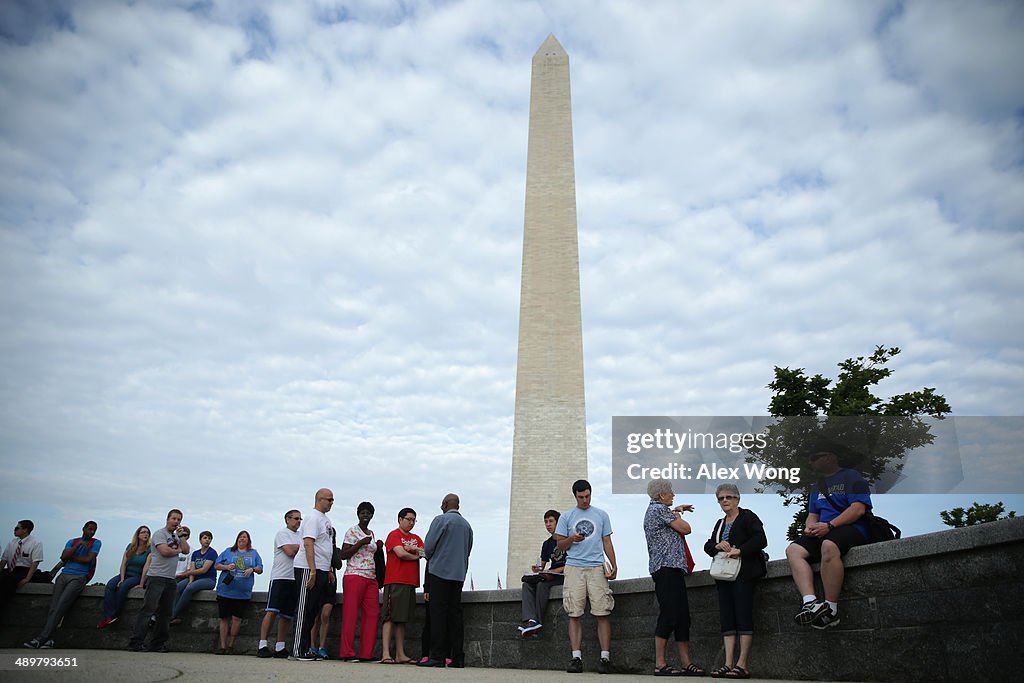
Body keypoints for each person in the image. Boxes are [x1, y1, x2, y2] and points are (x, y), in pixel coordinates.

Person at [787, 449, 872, 630]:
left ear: (830, 456)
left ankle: (831, 610)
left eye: (814, 456)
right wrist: (810, 527)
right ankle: (810, 603)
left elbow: (858, 509)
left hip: (851, 527)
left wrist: (830, 525)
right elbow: (812, 514)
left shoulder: (852, 476)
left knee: (829, 545)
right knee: (793, 550)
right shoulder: (817, 486)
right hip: (824, 529)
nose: (811, 461)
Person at [703, 483, 768, 679]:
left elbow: (761, 539)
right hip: (724, 575)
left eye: (729, 497)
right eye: (721, 498)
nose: (725, 501)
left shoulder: (748, 517)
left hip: (744, 573)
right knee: (727, 618)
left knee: (743, 615)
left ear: (737, 499)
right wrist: (717, 545)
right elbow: (708, 546)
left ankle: (742, 664)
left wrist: (740, 550)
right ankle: (728, 663)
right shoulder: (720, 523)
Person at [555, 479, 618, 675]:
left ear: (591, 494)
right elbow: (559, 545)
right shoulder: (566, 517)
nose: (585, 500)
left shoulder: (601, 514)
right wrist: (572, 538)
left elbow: (606, 540)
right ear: (575, 496)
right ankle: (576, 657)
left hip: (596, 567)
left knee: (603, 612)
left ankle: (605, 658)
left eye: (587, 496)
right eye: (581, 497)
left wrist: (614, 564)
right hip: (574, 567)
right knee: (574, 613)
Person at [643, 480, 705, 677]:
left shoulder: (659, 510)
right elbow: (686, 529)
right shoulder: (658, 510)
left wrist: (676, 510)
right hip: (666, 568)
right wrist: (677, 514)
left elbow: (670, 521)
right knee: (670, 614)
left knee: (682, 617)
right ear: (661, 496)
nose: (673, 494)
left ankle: (686, 663)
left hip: (673, 568)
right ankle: (660, 664)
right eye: (670, 492)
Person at [24, 521, 101, 649]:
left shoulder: (96, 543)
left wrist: (71, 557)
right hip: (63, 575)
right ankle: (50, 639)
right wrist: (77, 547)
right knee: (54, 607)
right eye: (90, 529)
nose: (91, 532)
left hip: (79, 577)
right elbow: (63, 556)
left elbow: (87, 560)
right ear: (84, 528)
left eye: (94, 530)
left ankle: (41, 638)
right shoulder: (73, 541)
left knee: (61, 605)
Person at [419, 493, 473, 668]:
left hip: (439, 573)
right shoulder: (467, 526)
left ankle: (437, 656)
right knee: (455, 615)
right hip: (458, 575)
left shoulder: (440, 520)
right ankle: (458, 657)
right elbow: (468, 550)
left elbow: (428, 548)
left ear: (444, 504)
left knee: (438, 615)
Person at [128, 509, 189, 652]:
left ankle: (158, 644)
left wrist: (182, 538)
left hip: (170, 579)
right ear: (168, 519)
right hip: (156, 577)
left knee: (166, 613)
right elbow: (164, 551)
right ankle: (136, 642)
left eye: (179, 519)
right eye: (174, 519)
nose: (176, 522)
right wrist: (178, 550)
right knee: (148, 609)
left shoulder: (176, 537)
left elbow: (186, 551)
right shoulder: (159, 534)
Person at [291, 488, 335, 661]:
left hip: (323, 569)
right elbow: (309, 543)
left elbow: (327, 546)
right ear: (319, 500)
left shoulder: (326, 520)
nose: (331, 502)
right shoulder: (312, 518)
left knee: (312, 610)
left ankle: (307, 647)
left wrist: (328, 569)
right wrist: (313, 570)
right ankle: (297, 649)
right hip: (307, 569)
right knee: (303, 609)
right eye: (329, 499)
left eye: (332, 500)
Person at [338, 501, 383, 662]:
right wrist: (360, 543)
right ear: (358, 514)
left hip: (371, 577)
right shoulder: (352, 531)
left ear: (372, 515)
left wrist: (377, 546)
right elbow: (343, 554)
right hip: (354, 575)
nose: (366, 515)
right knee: (350, 614)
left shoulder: (371, 533)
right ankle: (347, 653)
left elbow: (372, 554)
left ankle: (366, 653)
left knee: (372, 614)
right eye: (363, 513)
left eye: (369, 513)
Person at [380, 507, 422, 665]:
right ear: (400, 519)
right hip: (395, 581)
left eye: (413, 520)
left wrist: (415, 550)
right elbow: (400, 553)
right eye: (408, 519)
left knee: (402, 619)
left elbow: (425, 553)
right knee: (390, 617)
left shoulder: (416, 537)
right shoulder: (393, 535)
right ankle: (385, 653)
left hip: (410, 582)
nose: (411, 523)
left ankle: (400, 654)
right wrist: (414, 554)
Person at [258, 511, 301, 659]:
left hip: (294, 578)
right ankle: (262, 644)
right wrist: (300, 547)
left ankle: (280, 646)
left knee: (286, 615)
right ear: (287, 520)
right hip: (280, 577)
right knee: (272, 611)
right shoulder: (282, 534)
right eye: (295, 518)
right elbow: (290, 551)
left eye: (300, 519)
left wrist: (298, 546)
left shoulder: (300, 536)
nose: (298, 521)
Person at [518, 509, 566, 637]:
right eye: (546, 522)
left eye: (551, 521)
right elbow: (542, 566)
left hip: (563, 576)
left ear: (559, 522)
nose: (548, 524)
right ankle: (531, 620)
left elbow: (572, 564)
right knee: (527, 585)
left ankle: (538, 621)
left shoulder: (567, 540)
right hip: (550, 576)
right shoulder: (547, 544)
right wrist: (537, 569)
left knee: (541, 585)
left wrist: (553, 571)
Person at [213, 530, 263, 654]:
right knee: (224, 618)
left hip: (242, 593)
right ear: (237, 539)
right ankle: (222, 646)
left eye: (245, 537)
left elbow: (260, 568)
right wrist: (226, 567)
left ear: (248, 540)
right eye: (240, 537)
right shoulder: (228, 551)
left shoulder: (254, 553)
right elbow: (216, 565)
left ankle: (231, 645)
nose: (242, 539)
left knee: (237, 619)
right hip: (225, 591)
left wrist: (252, 569)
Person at [98, 525, 151, 628]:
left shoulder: (150, 549)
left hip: (137, 576)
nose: (146, 534)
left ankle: (114, 615)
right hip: (125, 574)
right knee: (110, 585)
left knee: (123, 587)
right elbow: (123, 564)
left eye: (147, 533)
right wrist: (122, 578)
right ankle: (109, 615)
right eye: (143, 532)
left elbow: (146, 567)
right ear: (138, 535)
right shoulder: (130, 546)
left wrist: (141, 583)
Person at [170, 530, 216, 625]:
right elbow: (192, 568)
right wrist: (190, 580)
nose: (207, 540)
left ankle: (173, 615)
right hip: (196, 578)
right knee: (178, 587)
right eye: (205, 538)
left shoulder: (212, 553)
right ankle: (175, 616)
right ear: (200, 540)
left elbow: (203, 570)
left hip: (208, 580)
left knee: (189, 588)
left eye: (209, 538)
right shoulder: (195, 553)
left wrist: (186, 576)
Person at [0, 520, 44, 610]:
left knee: (9, 583)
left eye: (17, 528)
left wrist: (27, 579)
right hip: (11, 569)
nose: (14, 530)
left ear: (25, 530)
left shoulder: (35, 543)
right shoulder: (12, 542)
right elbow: (4, 559)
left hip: (24, 569)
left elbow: (35, 562)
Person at [310, 542, 339, 659]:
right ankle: (312, 646)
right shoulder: (315, 549)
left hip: (329, 587)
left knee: (325, 615)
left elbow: (338, 563)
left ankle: (322, 647)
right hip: (317, 583)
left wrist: (332, 549)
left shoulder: (335, 549)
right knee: (315, 617)